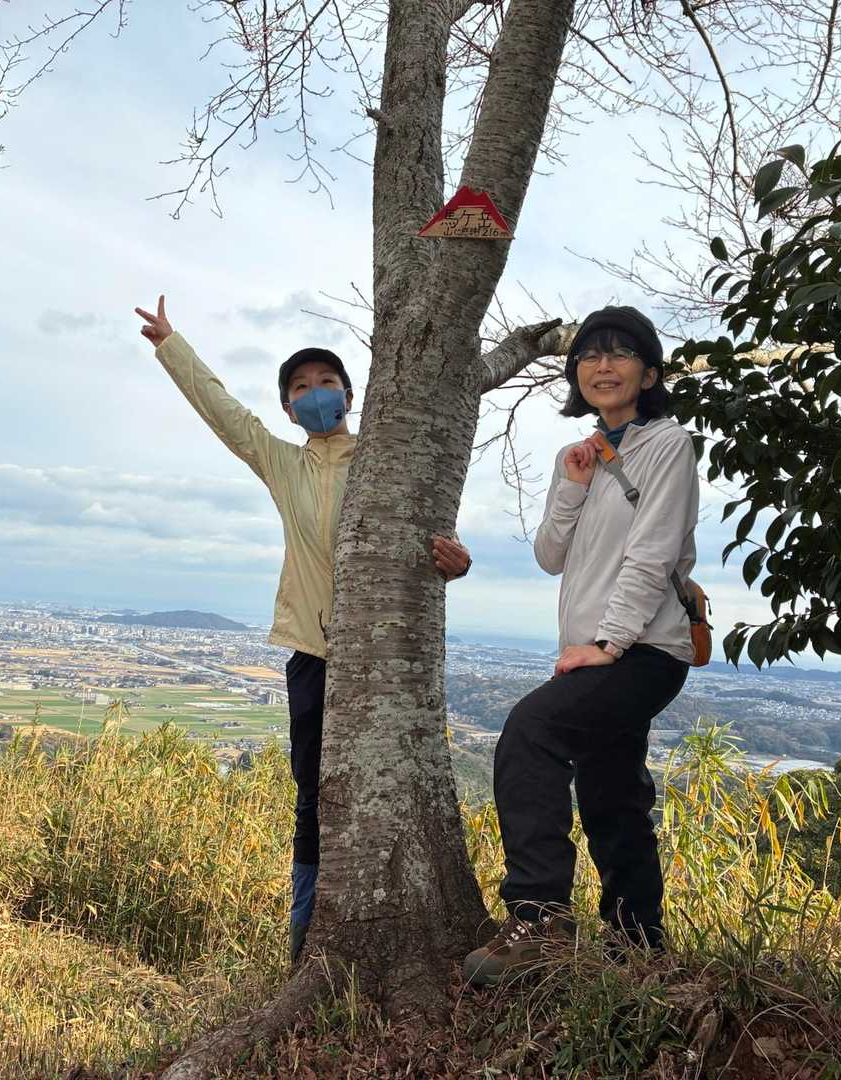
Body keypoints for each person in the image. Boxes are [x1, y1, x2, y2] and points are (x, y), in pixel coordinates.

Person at [135, 296, 473, 964]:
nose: (315, 393)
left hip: (385, 652)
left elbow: (432, 531)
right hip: (314, 653)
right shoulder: (285, 464)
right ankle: (306, 929)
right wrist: (172, 345)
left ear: (351, 395)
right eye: (300, 387)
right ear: (289, 410)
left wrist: (454, 558)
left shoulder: (385, 459)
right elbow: (226, 414)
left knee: (396, 787)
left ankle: (406, 916)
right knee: (313, 793)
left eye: (326, 382)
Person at [462, 305, 698, 988]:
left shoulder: (668, 445)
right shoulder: (586, 455)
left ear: (649, 374)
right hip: (602, 650)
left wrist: (609, 643)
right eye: (590, 355)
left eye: (621, 353)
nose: (602, 365)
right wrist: (572, 483)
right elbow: (549, 555)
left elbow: (652, 555)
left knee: (531, 731)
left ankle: (538, 919)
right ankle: (639, 948)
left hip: (644, 650)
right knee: (612, 798)